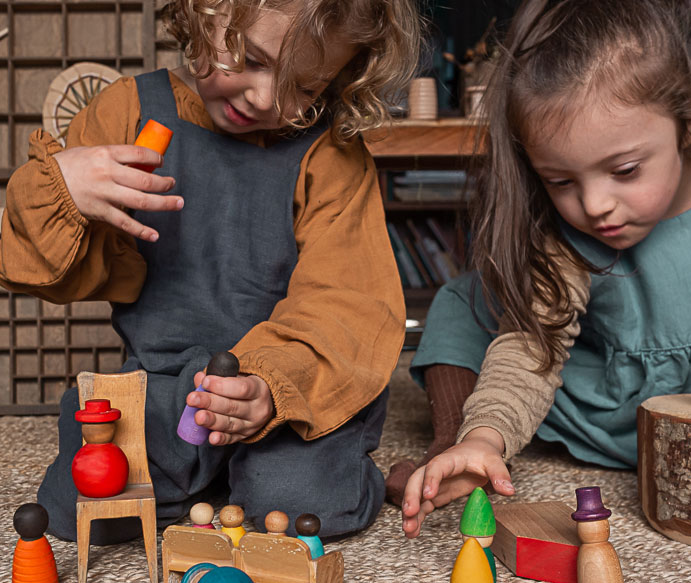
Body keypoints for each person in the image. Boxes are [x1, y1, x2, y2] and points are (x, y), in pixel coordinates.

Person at [0, 0, 421, 543]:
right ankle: (210, 476)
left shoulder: (331, 153)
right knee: (83, 498)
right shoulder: (127, 112)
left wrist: (269, 386)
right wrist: (65, 191)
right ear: (205, 12)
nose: (268, 98)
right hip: (166, 384)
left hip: (284, 393)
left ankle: (324, 466)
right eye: (252, 58)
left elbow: (347, 302)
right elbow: (39, 271)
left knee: (299, 506)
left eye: (306, 88)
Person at [394, 0, 691, 537]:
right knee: (464, 303)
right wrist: (484, 439)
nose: (595, 204)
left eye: (624, 170)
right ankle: (457, 455)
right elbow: (531, 349)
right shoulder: (559, 234)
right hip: (599, 409)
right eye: (561, 181)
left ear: (689, 122)